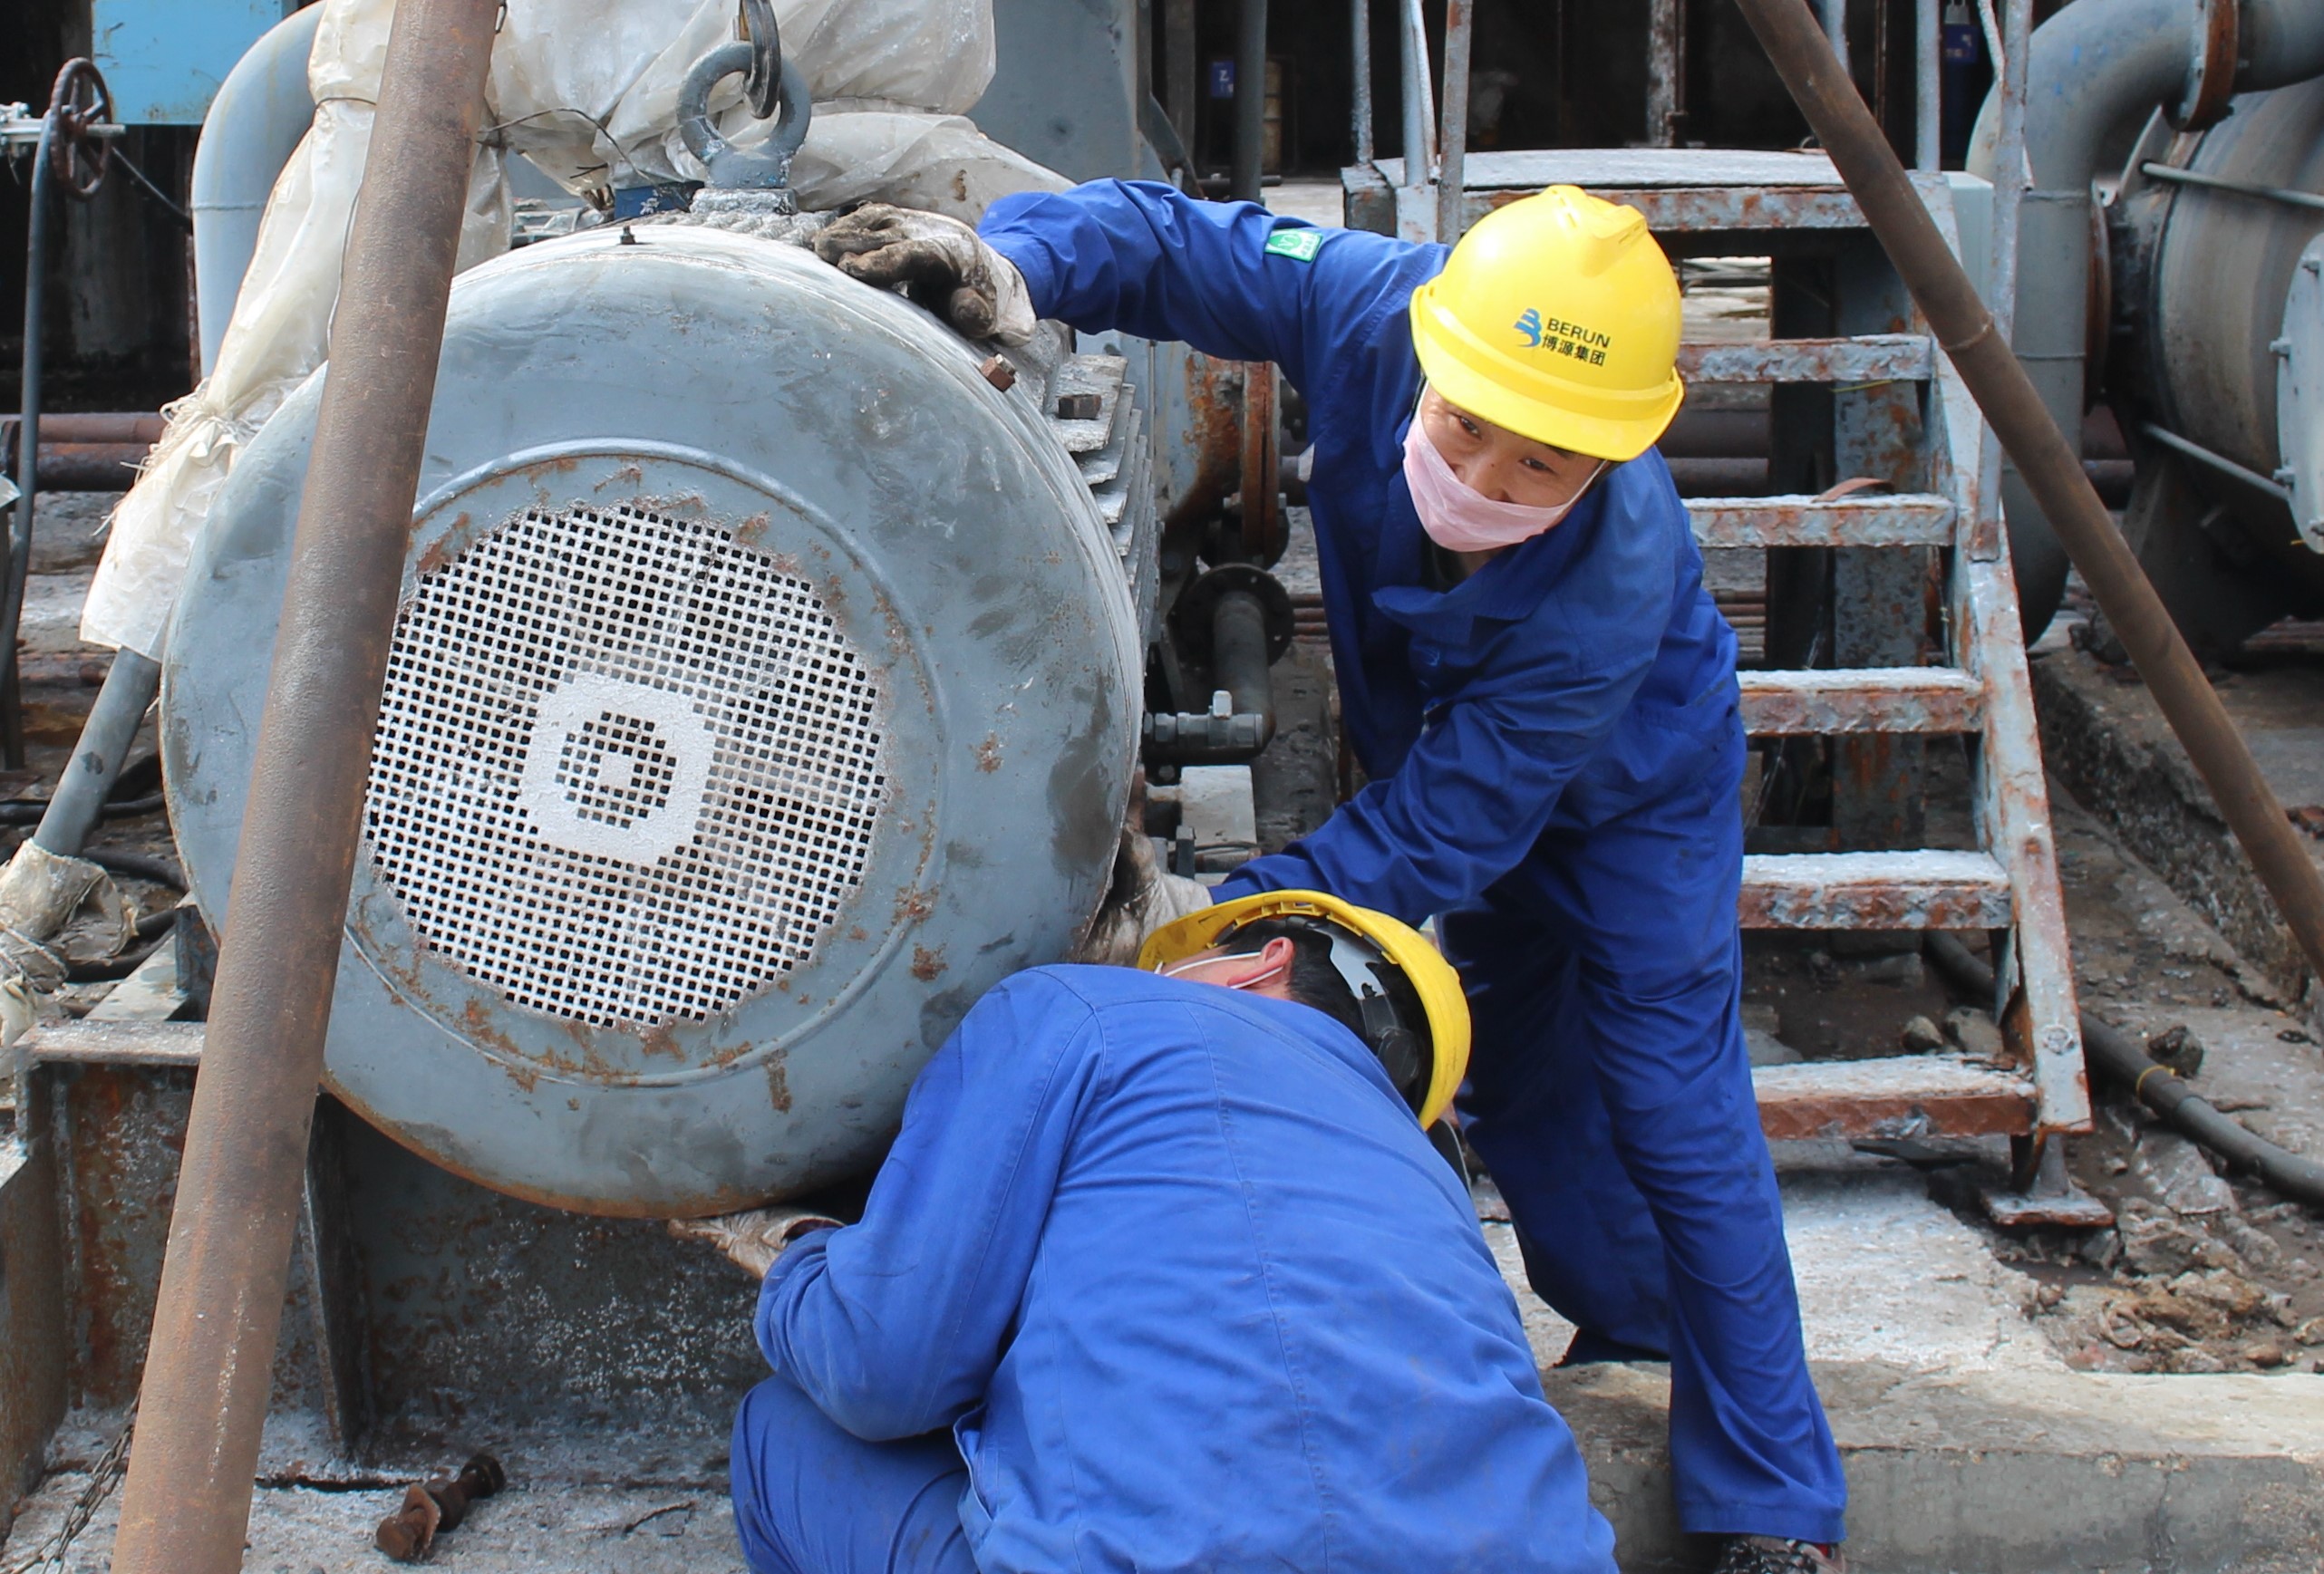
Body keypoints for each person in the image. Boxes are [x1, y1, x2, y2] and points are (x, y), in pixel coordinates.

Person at [814, 182, 1847, 1573]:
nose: (1481, 479)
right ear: (1434, 349)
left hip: (1633, 796)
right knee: (1523, 1073)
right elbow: (1172, 241)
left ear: (1612, 459)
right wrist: (1007, 265)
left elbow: (1438, 831)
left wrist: (1223, 923)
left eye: (1539, 468)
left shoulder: (1612, 588)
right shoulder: (1371, 304)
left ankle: (1773, 1500)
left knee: (1672, 1095)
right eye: (1467, 427)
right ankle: (1630, 1334)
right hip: (1443, 739)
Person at [707, 892, 1619, 1573]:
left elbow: (883, 1371)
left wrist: (800, 1258)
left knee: (783, 1426)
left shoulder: (1082, 1010)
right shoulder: (1426, 1179)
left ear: (1260, 963)